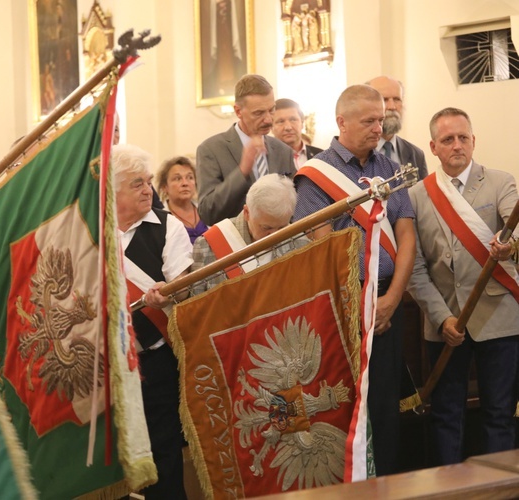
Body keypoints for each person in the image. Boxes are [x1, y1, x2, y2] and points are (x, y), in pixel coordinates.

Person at [293, 84, 416, 476]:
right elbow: (320, 248)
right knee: (347, 408)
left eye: (380, 120)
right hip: (344, 307)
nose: (378, 127)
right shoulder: (316, 176)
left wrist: (394, 297)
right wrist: (355, 302)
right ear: (341, 122)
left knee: (385, 407)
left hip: (388, 306)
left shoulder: (389, 168)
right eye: (368, 121)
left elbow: (408, 235)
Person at [407, 107, 519, 465]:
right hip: (446, 322)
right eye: (447, 140)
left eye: (463, 138)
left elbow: (514, 224)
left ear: (474, 141)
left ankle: (498, 490)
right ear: (433, 147)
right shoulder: (415, 196)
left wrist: (510, 246)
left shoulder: (501, 181)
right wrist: (442, 319)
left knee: (499, 414)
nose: (457, 145)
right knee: (445, 415)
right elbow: (415, 267)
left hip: (498, 319)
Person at [112, 143, 192, 498]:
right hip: (108, 365)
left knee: (164, 454)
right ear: (113, 190)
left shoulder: (168, 227)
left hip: (156, 360)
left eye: (148, 182)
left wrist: (169, 295)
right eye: (136, 184)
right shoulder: (89, 232)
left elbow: (183, 287)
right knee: (113, 460)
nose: (148, 190)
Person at [197, 74, 296, 226]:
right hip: (236, 244)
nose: (268, 119)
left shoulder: (283, 151)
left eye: (271, 110)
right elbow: (208, 213)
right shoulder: (211, 149)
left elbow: (295, 206)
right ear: (238, 111)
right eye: (258, 113)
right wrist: (242, 170)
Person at [191, 173, 305, 295]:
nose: (274, 236)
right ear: (247, 213)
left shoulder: (299, 241)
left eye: (282, 227)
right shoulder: (209, 244)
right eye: (266, 228)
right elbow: (196, 307)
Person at [366, 76, 428, 180]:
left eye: (397, 99)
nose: (392, 107)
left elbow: (422, 195)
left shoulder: (416, 155)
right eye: (384, 100)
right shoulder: (357, 153)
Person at [156, 156, 208, 244]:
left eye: (190, 177)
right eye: (177, 179)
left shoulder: (206, 210)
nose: (185, 183)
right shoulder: (159, 219)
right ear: (164, 187)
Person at [271, 98, 323, 169]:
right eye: (281, 121)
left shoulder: (321, 156)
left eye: (293, 120)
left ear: (302, 123)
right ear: (271, 127)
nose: (288, 127)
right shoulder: (265, 160)